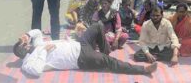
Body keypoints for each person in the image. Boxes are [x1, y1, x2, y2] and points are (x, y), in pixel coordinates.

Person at [13, 23, 157, 77]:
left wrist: (27, 35)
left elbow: (37, 32)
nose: (27, 44)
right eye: (24, 45)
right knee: (109, 62)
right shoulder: (28, 62)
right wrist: (45, 51)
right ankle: (143, 70)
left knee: (98, 26)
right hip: (80, 57)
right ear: (22, 52)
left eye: (25, 43)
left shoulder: (36, 45)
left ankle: (103, 51)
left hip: (79, 43)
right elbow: (37, 71)